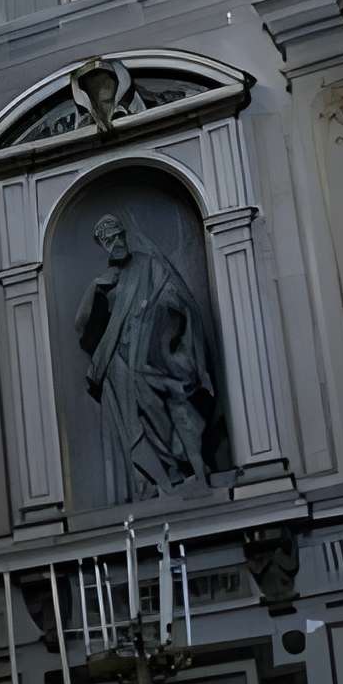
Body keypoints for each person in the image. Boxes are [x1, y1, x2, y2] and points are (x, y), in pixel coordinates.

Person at [73, 213, 220, 503]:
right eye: (109, 240)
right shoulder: (105, 282)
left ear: (125, 235)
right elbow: (84, 329)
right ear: (102, 246)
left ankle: (187, 469)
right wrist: (96, 291)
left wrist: (154, 310)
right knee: (135, 421)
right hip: (122, 362)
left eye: (118, 236)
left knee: (169, 407)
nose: (116, 243)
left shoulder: (148, 264)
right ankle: (163, 482)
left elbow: (176, 297)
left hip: (156, 358)